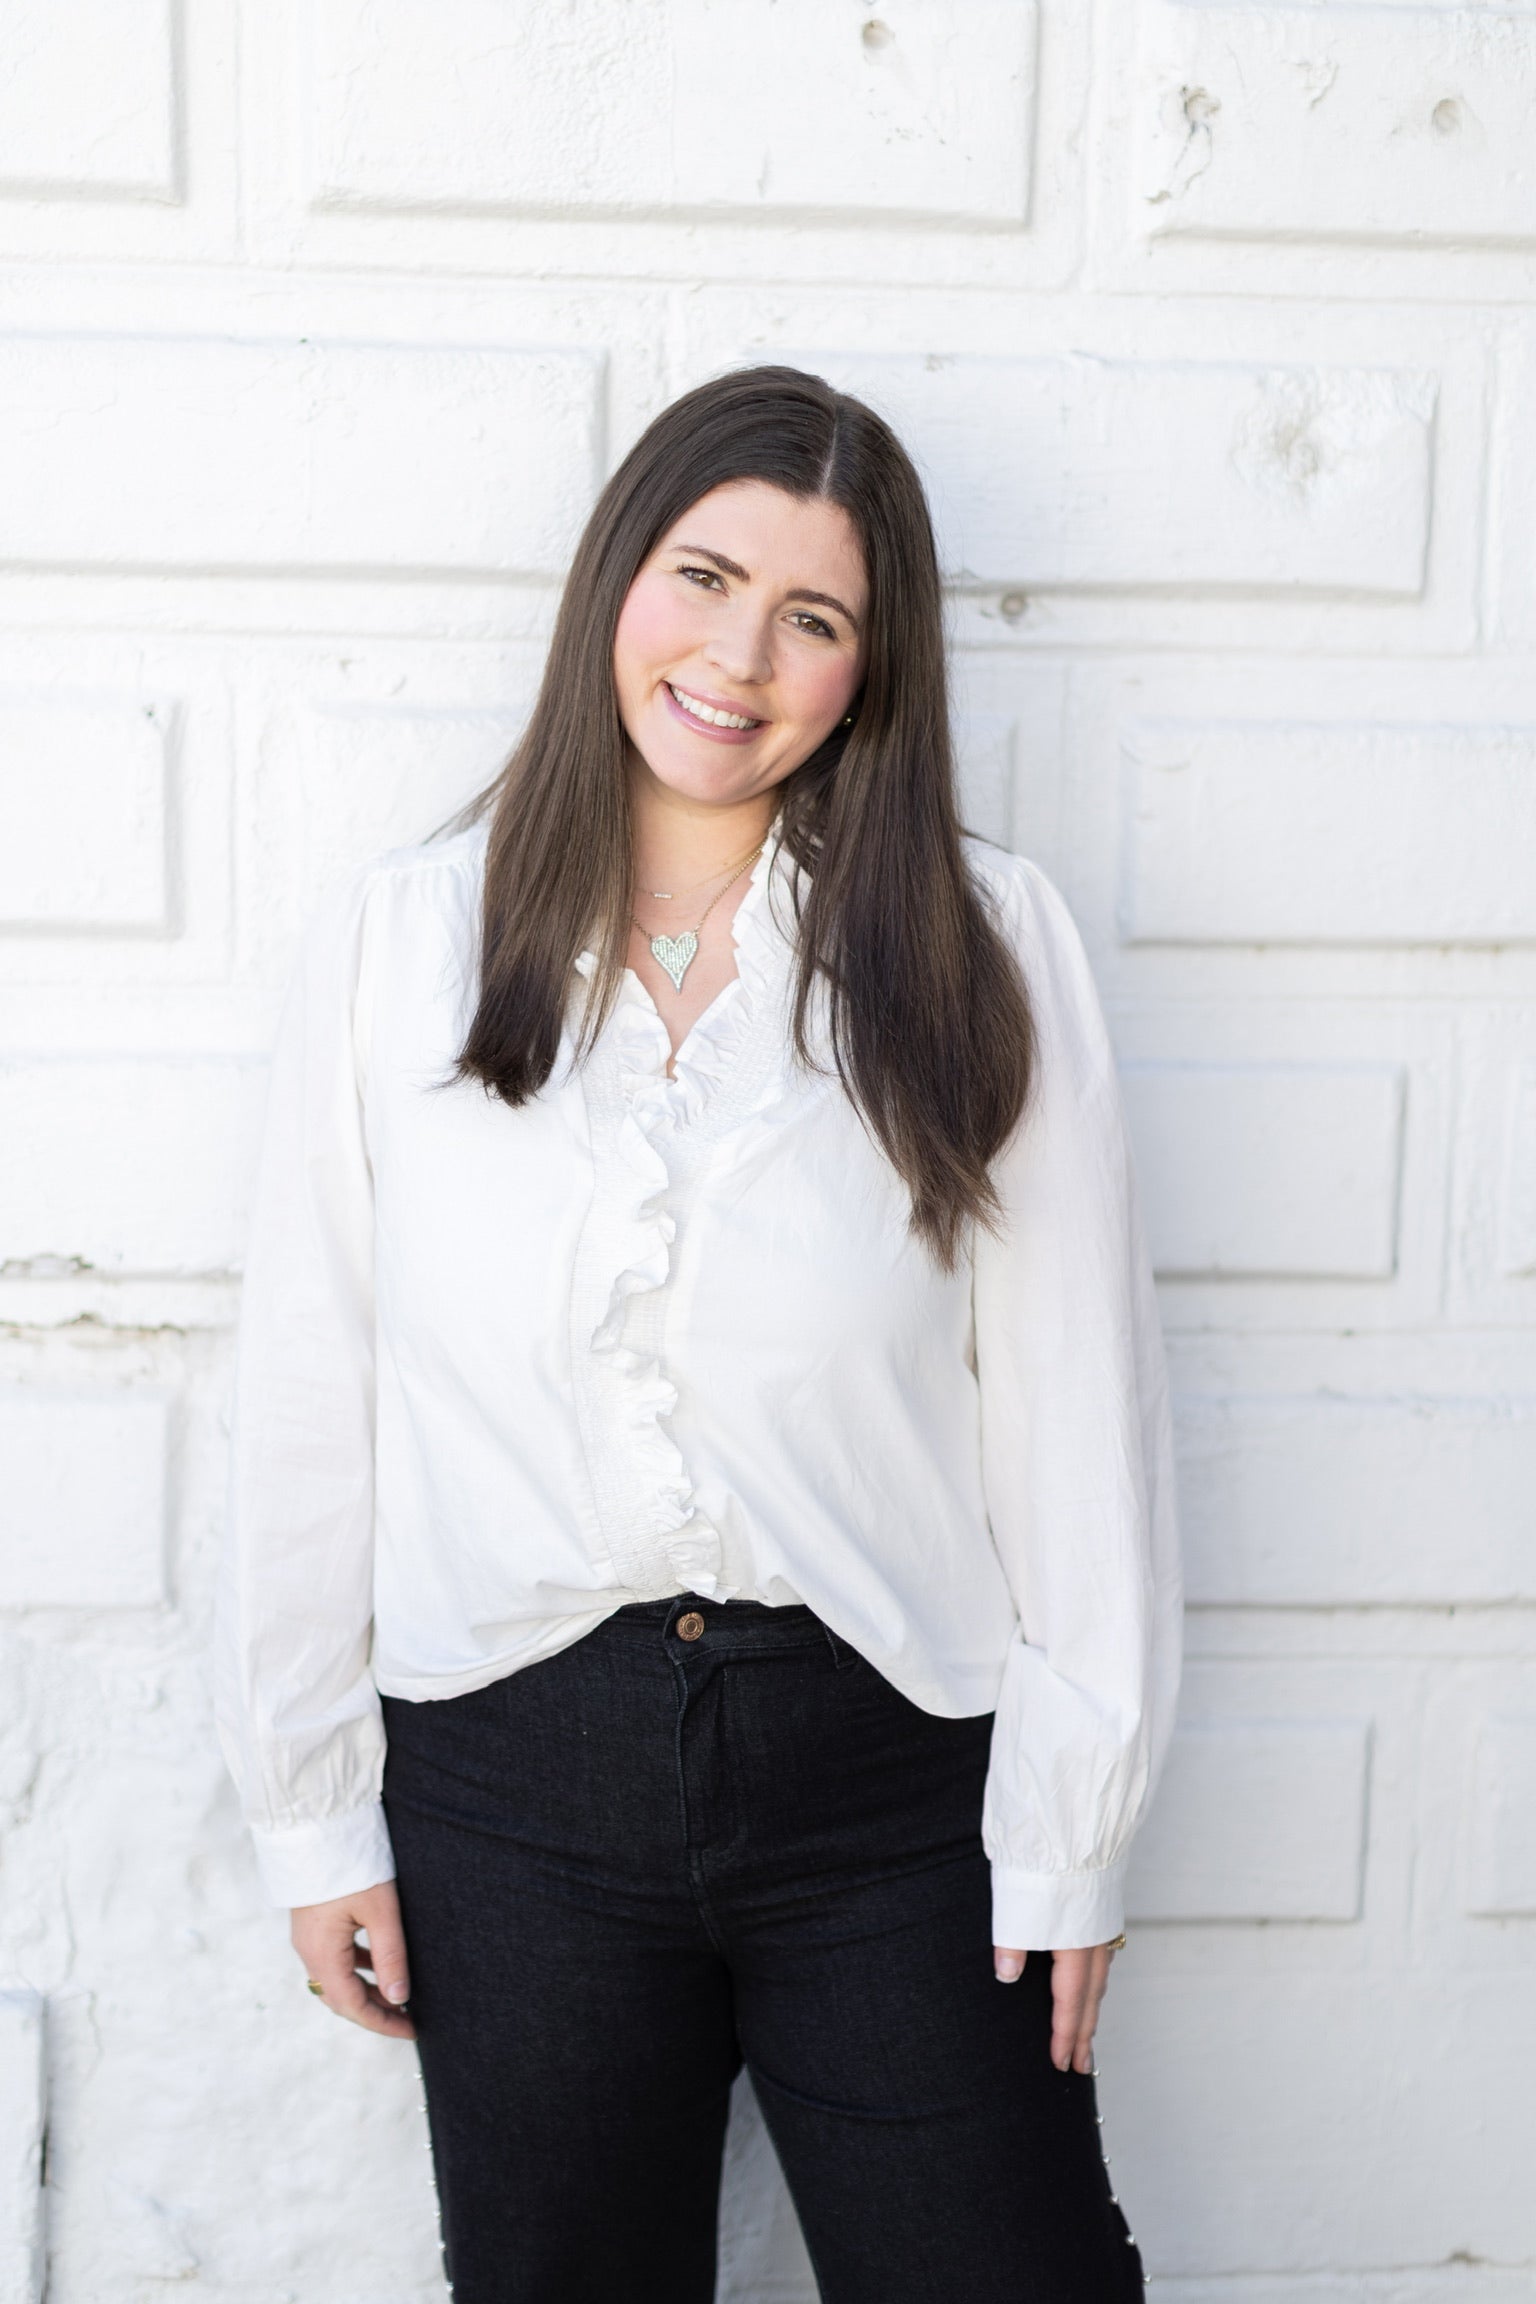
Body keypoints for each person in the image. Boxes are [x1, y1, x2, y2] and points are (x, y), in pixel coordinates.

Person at [216, 364, 1181, 2303]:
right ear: (613, 586)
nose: (738, 657)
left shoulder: (982, 946)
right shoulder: (403, 943)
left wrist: (1074, 1832)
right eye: (704, 576)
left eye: (813, 619)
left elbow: (1079, 1414)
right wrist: (312, 1809)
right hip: (511, 1784)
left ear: (870, 670)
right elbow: (314, 1400)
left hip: (894, 1778)